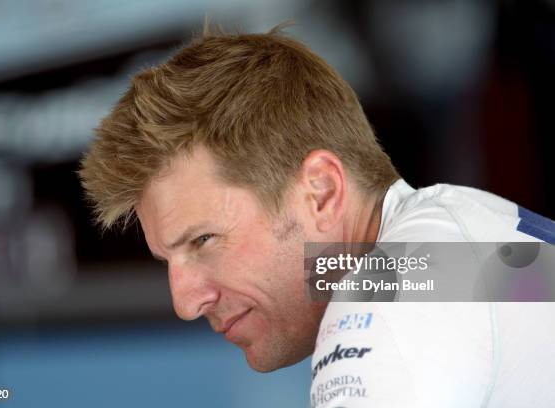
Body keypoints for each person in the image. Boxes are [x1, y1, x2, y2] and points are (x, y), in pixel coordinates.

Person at [79, 23, 555, 408]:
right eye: (167, 260)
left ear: (321, 191)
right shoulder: (456, 246)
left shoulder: (383, 301)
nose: (186, 303)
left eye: (203, 240)